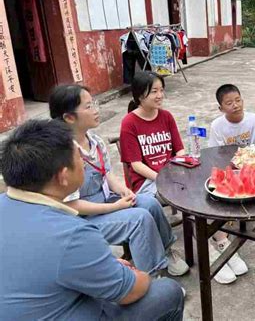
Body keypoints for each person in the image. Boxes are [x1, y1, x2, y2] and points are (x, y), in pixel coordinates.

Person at [0, 119, 184, 320]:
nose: (84, 162)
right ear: (63, 176)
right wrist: (137, 276)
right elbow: (131, 291)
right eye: (78, 157)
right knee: (167, 291)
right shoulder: (72, 234)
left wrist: (105, 265)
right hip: (78, 309)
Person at [49, 84, 189, 277]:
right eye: (88, 106)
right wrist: (116, 207)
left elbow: (107, 173)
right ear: (69, 117)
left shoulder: (94, 140)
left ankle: (166, 251)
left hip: (107, 200)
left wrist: (124, 191)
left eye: (95, 103)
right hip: (82, 219)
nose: (96, 110)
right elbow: (73, 205)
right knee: (139, 219)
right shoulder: (62, 154)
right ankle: (153, 276)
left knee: (149, 203)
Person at [208, 84, 255, 284]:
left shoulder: (254, 119)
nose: (235, 105)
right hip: (229, 171)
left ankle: (248, 226)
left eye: (238, 100)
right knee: (212, 194)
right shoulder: (217, 125)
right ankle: (220, 240)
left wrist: (252, 160)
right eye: (229, 103)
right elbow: (214, 155)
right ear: (221, 108)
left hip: (251, 170)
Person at [120, 71, 185, 195]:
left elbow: (180, 150)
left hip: (171, 174)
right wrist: (162, 179)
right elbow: (136, 165)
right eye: (154, 91)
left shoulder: (166, 116)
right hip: (146, 181)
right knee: (180, 192)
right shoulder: (129, 122)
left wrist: (179, 170)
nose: (160, 95)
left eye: (161, 90)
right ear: (140, 96)